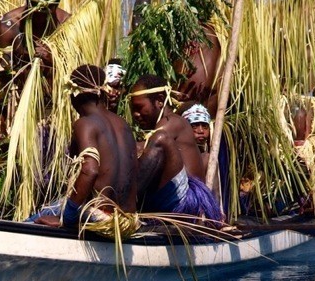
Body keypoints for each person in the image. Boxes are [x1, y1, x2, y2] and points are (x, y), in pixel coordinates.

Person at [35, 64, 138, 228]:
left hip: (102, 218)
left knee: (32, 220)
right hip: (127, 219)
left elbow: (90, 171)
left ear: (73, 97)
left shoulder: (84, 124)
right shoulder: (123, 124)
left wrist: (67, 218)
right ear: (103, 93)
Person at [131, 0, 224, 114]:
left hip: (188, 123)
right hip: (207, 124)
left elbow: (140, 36)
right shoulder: (223, 38)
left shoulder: (194, 38)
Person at [129, 75, 222, 221]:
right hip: (175, 198)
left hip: (188, 202)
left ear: (160, 100)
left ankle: (125, 206)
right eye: (132, 109)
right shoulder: (164, 125)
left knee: (160, 140)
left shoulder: (173, 122)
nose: (135, 114)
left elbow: (141, 149)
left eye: (139, 108)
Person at [0, 0, 70, 75]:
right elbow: (4, 71)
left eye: (45, 12)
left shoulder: (66, 25)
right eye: (36, 12)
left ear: (56, 5)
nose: (40, 18)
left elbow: (73, 67)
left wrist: (52, 59)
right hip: (20, 87)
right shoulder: (9, 25)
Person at [181, 103, 212, 174]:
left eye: (205, 126)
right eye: (194, 126)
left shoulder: (208, 158)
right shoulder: (177, 155)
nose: (201, 131)